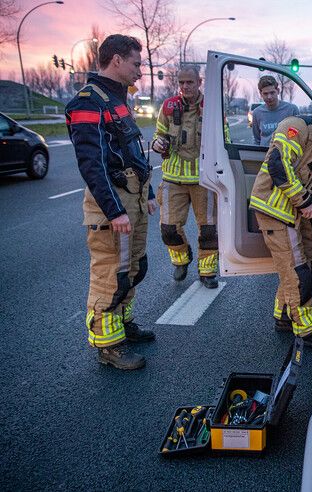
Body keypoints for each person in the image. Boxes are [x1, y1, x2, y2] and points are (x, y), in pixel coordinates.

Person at [65, 34, 156, 370]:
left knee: (135, 267)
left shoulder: (116, 99)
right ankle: (109, 346)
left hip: (132, 196)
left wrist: (147, 193)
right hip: (112, 203)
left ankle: (122, 325)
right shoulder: (89, 102)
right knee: (110, 275)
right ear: (116, 60)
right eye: (136, 63)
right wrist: (114, 210)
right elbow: (93, 163)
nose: (140, 71)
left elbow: (129, 151)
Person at [249, 95, 312, 338]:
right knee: (297, 270)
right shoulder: (297, 127)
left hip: (299, 213)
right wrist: (304, 201)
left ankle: (284, 315)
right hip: (276, 209)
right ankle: (306, 325)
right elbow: (278, 165)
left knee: (310, 264)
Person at [152, 65, 218, 289]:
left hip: (203, 180)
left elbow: (223, 137)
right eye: (181, 82)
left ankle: (207, 271)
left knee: (208, 229)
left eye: (189, 82)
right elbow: (158, 133)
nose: (185, 86)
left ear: (199, 82)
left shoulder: (212, 106)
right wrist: (156, 143)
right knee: (168, 228)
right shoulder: (168, 106)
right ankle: (181, 260)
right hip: (173, 178)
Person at [251, 75, 299, 146]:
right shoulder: (257, 113)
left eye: (272, 93)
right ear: (261, 94)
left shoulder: (292, 110)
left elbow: (298, 136)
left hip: (285, 155)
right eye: (265, 94)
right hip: (264, 154)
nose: (269, 97)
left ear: (278, 91)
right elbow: (257, 140)